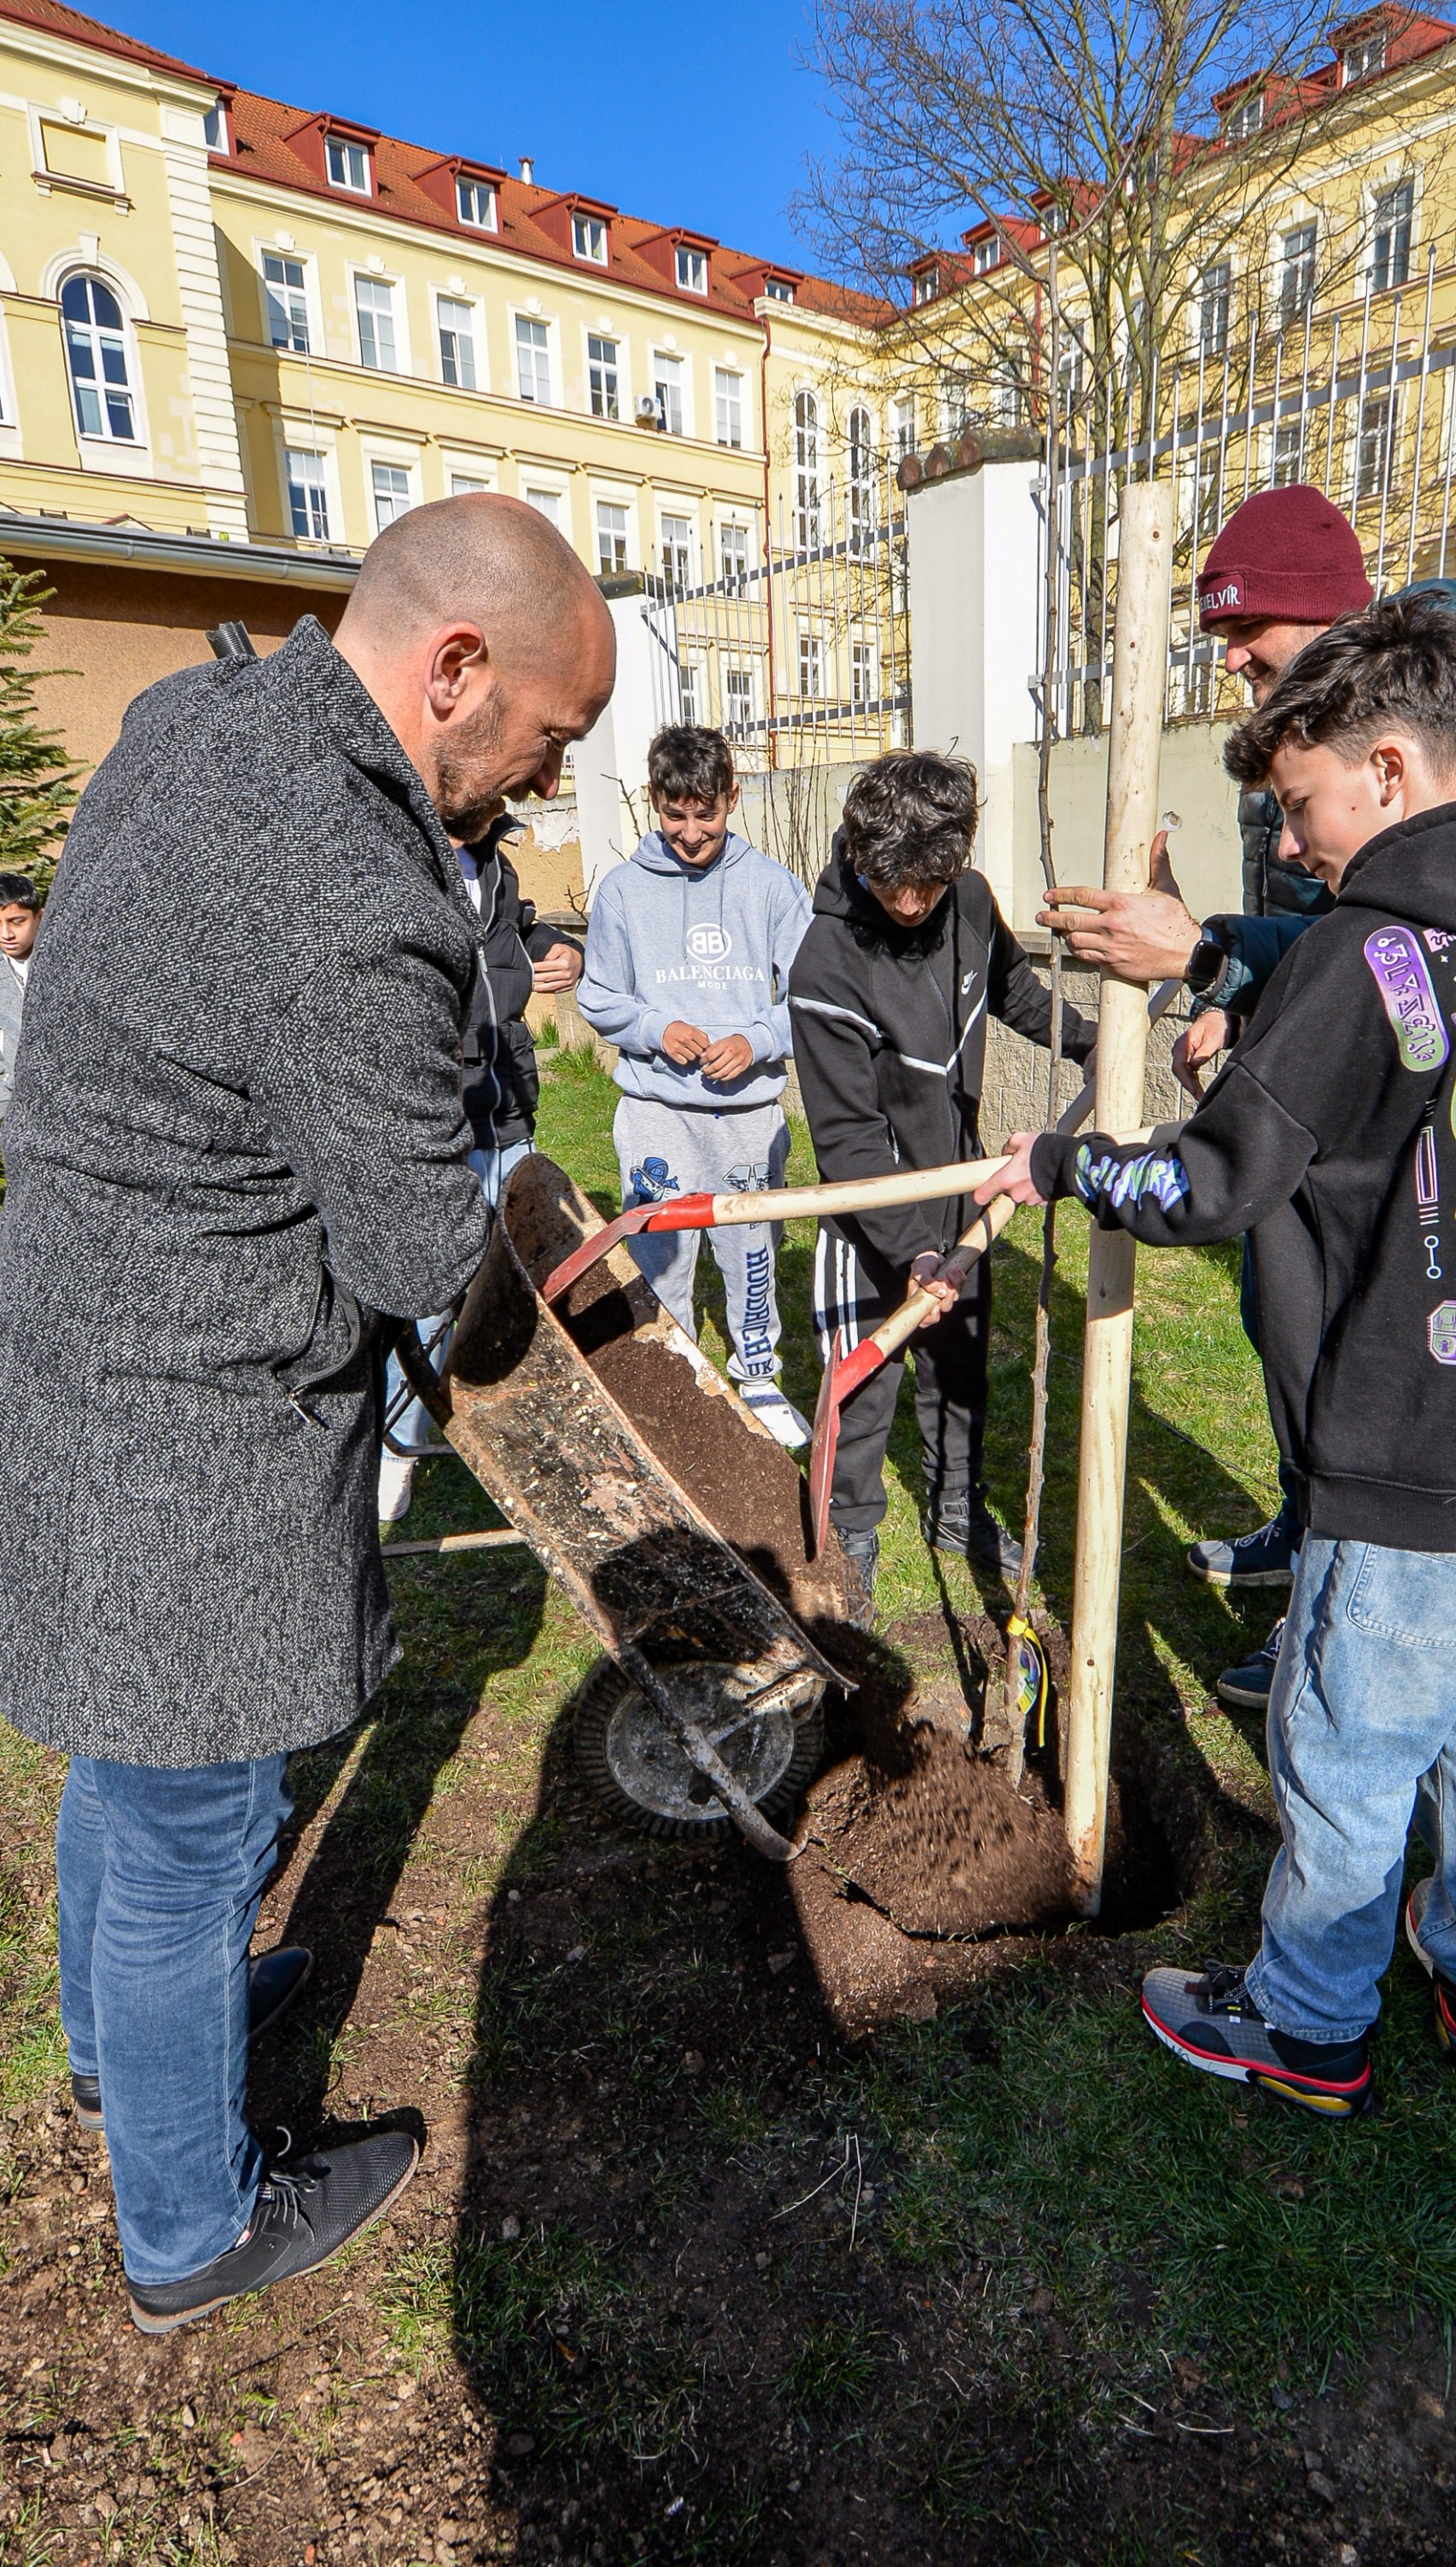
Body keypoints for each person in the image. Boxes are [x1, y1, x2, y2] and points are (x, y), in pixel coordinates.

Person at [0, 494, 614, 2329]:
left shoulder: (195, 716)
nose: (549, 783)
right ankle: (191, 2225)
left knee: (129, 1763)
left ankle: (120, 2049)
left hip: (77, 1332)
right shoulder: (352, 893)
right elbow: (418, 1244)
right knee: (192, 1830)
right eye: (550, 737)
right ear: (454, 669)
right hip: (195, 1408)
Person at [978, 595, 1456, 2118]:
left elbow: (1204, 1187)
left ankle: (1309, 2025)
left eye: (1301, 803)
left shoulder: (1367, 957)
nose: (1295, 843)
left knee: (1349, 1751)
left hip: (1415, 1456)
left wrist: (1062, 1163)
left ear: (1387, 768)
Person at [1042, 486, 1456, 1710]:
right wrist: (1242, 996)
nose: (1228, 658)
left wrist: (1207, 949)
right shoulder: (1299, 719)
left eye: (1244, 628)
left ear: (1325, 615)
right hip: (1316, 1074)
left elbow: (1420, 944)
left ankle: (1334, 1604)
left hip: (1396, 1126)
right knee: (1286, 1329)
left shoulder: (1451, 733)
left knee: (1344, 1356)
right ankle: (1306, 1522)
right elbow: (1322, 923)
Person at [789, 750, 1096, 1602]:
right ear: (861, 857)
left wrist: (1090, 1042)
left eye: (928, 882)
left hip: (964, 1184)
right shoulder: (825, 963)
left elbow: (1014, 991)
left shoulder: (969, 902)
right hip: (870, 1209)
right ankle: (849, 1531)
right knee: (863, 1379)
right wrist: (909, 1251)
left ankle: (956, 1507)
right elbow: (846, 1138)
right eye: (892, 884)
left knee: (960, 1362)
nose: (910, 902)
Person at [578, 724, 814, 1447]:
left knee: (750, 1247)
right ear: (654, 799)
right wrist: (653, 1027)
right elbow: (597, 996)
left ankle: (758, 1377)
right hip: (657, 1112)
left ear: (732, 798)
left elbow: (812, 995)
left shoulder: (772, 887)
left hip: (747, 1116)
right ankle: (667, 1381)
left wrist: (758, 1039)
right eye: (674, 814)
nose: (689, 833)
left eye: (705, 814)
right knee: (658, 1251)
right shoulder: (623, 891)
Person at [378, 816, 585, 1521]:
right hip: (440, 1124)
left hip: (509, 1115)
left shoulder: (494, 860)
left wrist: (556, 949)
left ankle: (523, 1442)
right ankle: (400, 1445)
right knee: (431, 1295)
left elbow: (514, 928)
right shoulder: (399, 858)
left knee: (524, 1286)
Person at [0, 868, 44, 1135]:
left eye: (16, 922)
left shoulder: (65, 965)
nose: (6, 934)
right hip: (15, 1109)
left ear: (39, 917)